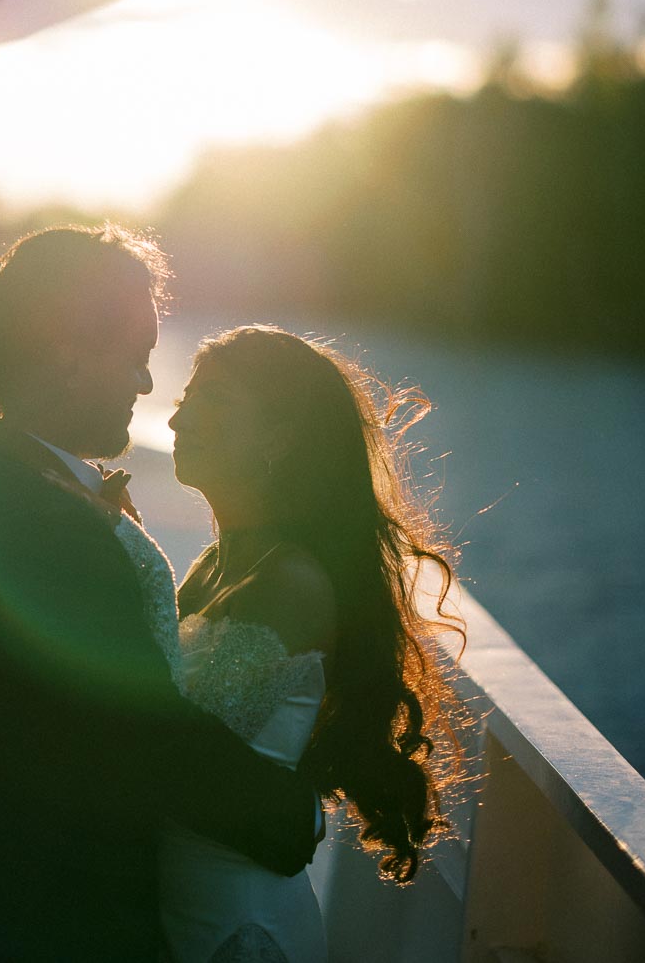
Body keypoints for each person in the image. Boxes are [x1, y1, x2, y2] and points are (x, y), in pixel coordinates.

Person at [0, 228, 319, 963]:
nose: (147, 387)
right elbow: (137, 739)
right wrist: (293, 813)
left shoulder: (2, 480)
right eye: (136, 358)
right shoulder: (30, 520)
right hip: (35, 932)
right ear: (66, 349)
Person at [158, 325, 463, 963]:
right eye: (188, 396)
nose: (181, 415)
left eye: (214, 401)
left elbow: (191, 745)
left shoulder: (289, 581)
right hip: (175, 905)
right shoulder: (213, 565)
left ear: (279, 436)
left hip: (235, 925)